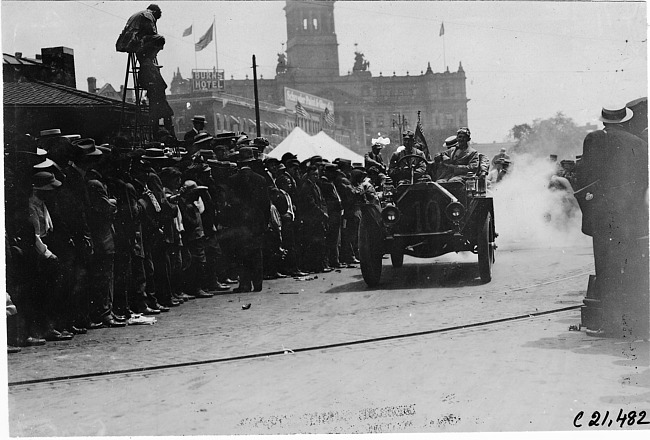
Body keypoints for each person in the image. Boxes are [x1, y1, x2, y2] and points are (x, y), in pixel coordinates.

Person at [575, 103, 649, 339]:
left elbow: (584, 175)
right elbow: (643, 181)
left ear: (604, 120)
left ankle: (608, 325)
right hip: (631, 217)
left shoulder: (593, 139)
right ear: (625, 120)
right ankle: (634, 325)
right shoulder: (639, 143)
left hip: (603, 216)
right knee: (631, 268)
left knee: (606, 270)